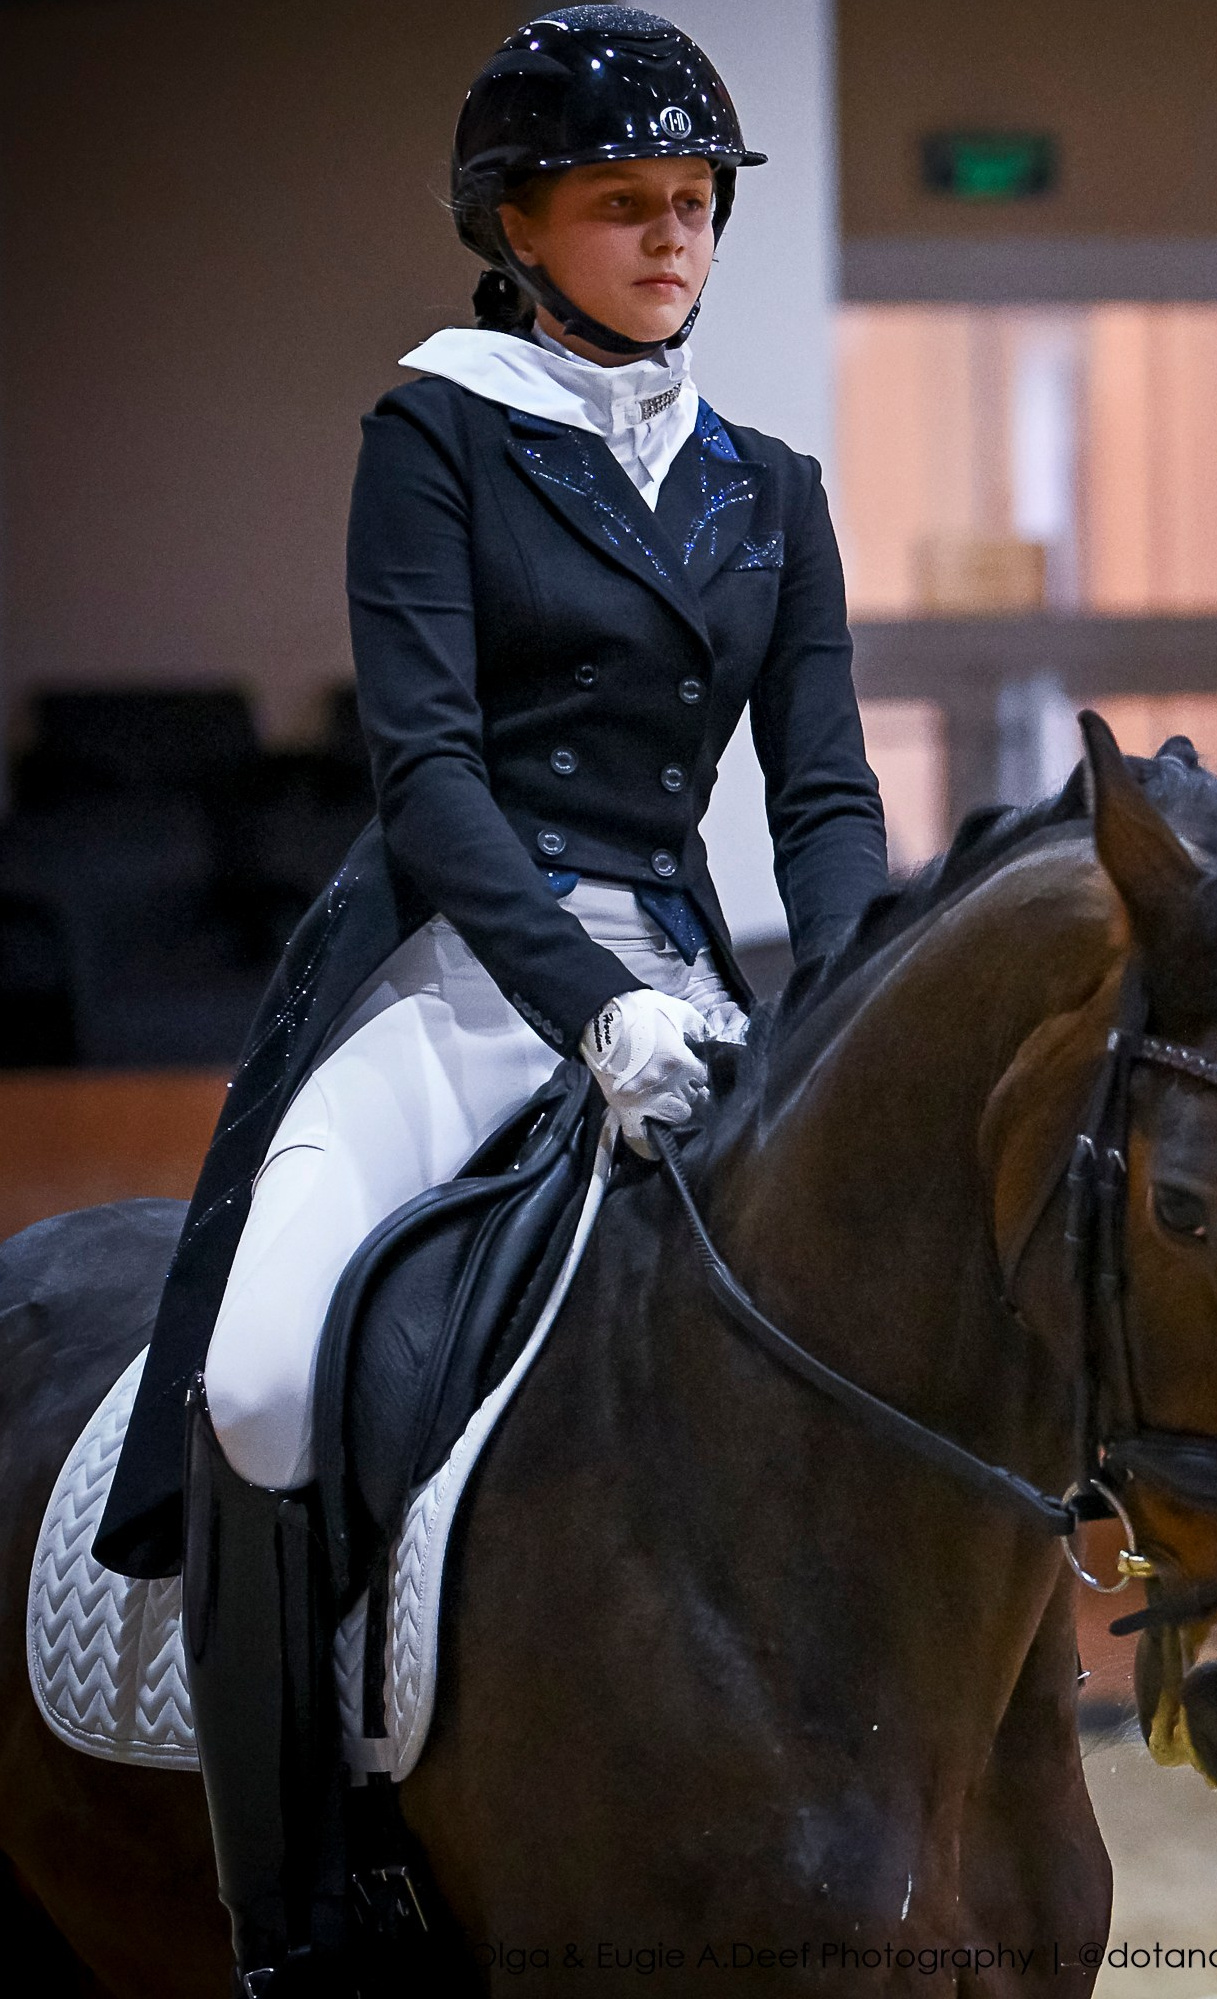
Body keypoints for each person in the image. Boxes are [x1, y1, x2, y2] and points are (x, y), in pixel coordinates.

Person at [96, 9, 888, 1989]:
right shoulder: (436, 435)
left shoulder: (769, 488)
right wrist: (583, 1005)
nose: (675, 238)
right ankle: (299, 1910)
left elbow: (822, 793)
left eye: (696, 203)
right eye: (627, 204)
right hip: (457, 967)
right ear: (516, 223)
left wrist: (840, 997)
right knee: (261, 1379)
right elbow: (429, 775)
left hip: (691, 974)